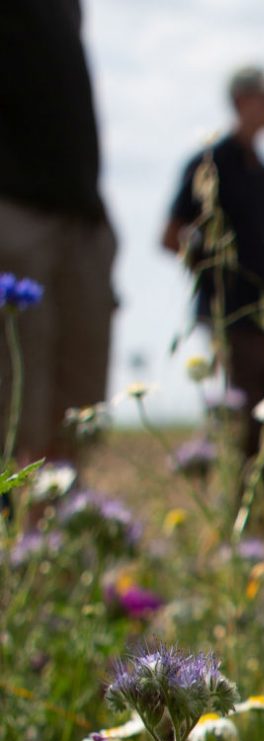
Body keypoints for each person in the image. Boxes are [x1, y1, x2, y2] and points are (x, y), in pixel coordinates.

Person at [0, 0, 118, 469]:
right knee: (13, 405)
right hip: (13, 209)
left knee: (79, 414)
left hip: (82, 215)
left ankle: (54, 537)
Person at [163, 64, 264, 488]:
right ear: (241, 103)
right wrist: (215, 268)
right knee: (243, 421)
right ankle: (239, 514)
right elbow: (171, 237)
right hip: (231, 315)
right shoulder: (209, 165)